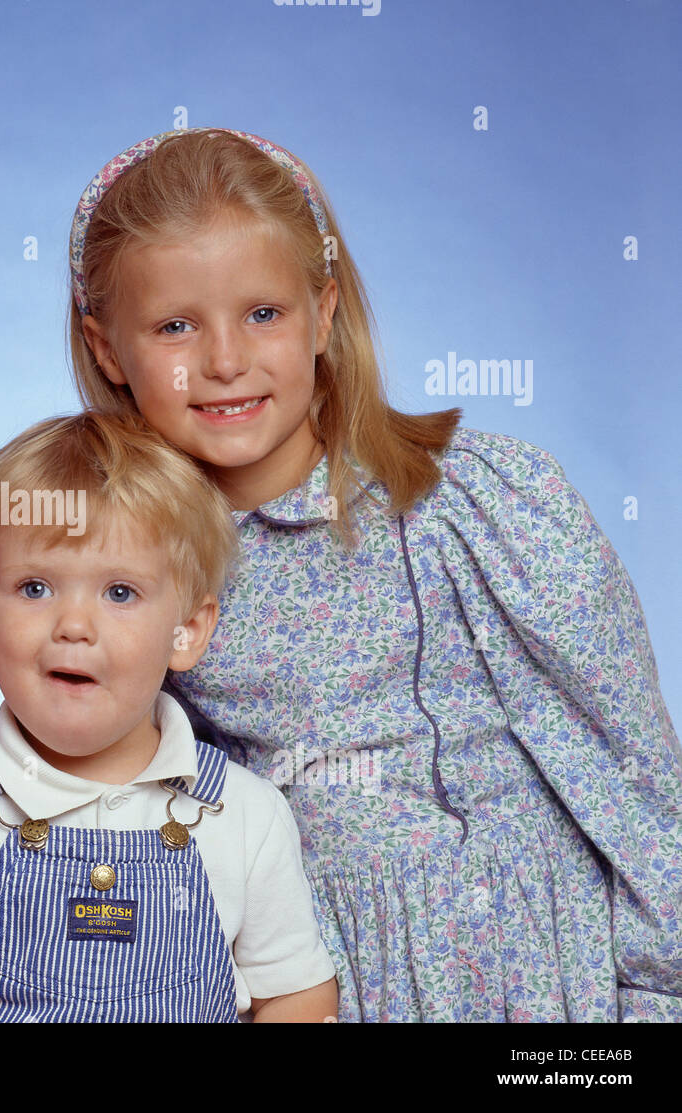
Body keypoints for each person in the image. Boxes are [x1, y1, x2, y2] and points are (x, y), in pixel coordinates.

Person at [65, 126, 682, 1022]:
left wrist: (657, 996)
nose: (226, 360)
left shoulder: (474, 504)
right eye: (175, 326)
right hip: (312, 982)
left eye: (264, 313)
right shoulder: (129, 567)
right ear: (110, 349)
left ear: (324, 312)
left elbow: (628, 770)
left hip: (535, 977)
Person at [0, 411, 338, 1022]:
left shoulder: (244, 817)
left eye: (120, 592)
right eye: (35, 588)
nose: (74, 626)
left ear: (187, 630)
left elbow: (296, 994)